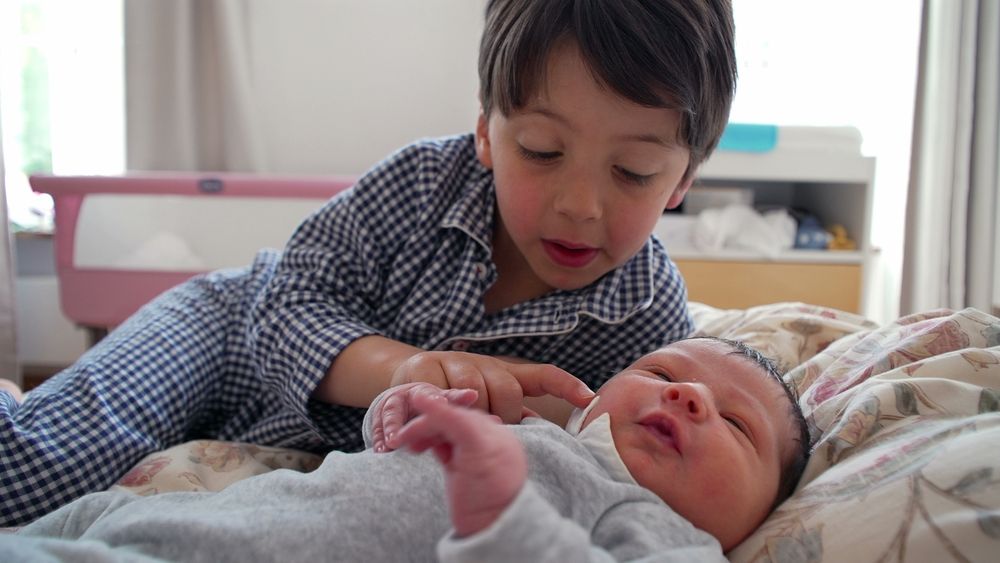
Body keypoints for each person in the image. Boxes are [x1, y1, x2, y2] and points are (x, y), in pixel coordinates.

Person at [0, 0, 738, 526]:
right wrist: (402, 369)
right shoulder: (422, 182)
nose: (581, 205)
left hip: (309, 442)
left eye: (634, 171)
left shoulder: (649, 321)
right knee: (28, 474)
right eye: (542, 152)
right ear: (486, 131)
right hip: (223, 338)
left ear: (680, 181)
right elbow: (284, 302)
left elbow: (623, 466)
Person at [0, 337, 811, 561]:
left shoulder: (667, 535)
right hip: (192, 523)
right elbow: (379, 462)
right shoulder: (529, 430)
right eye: (661, 371)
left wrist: (509, 526)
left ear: (758, 512)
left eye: (734, 425)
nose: (687, 395)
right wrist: (400, 411)